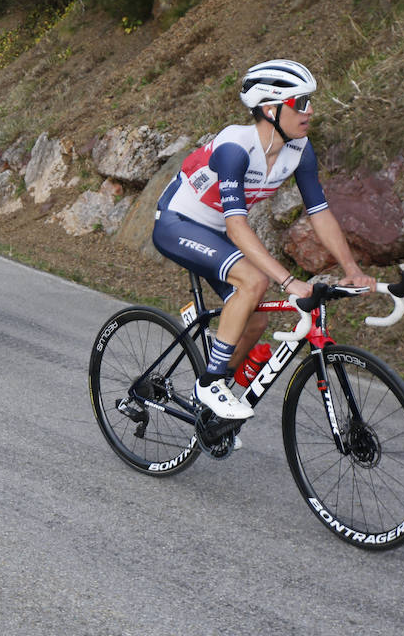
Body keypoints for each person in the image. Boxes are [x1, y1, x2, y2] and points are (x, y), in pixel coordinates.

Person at [151, 59, 375, 420]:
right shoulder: (235, 148)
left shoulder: (299, 150)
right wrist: (287, 281)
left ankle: (207, 409)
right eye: (300, 102)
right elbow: (238, 228)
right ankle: (209, 384)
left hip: (216, 232)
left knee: (254, 322)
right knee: (253, 281)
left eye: (309, 101)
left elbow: (319, 212)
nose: (310, 110)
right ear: (271, 109)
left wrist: (352, 269)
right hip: (178, 223)